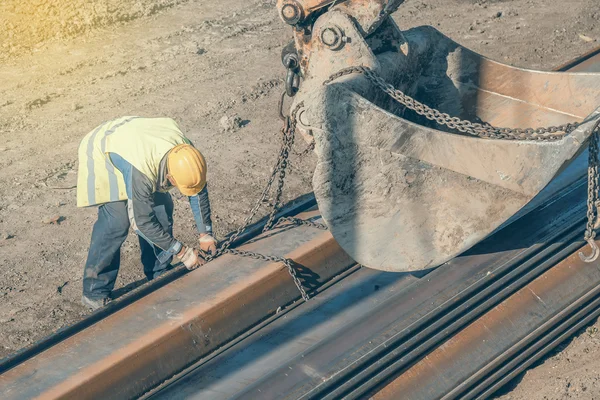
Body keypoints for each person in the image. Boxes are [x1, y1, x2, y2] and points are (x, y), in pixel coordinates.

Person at [76, 116, 217, 310]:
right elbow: (142, 223)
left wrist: (206, 234)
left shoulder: (188, 156)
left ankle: (158, 272)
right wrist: (183, 253)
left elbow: (197, 191)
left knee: (161, 210)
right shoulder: (141, 173)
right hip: (105, 149)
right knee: (117, 222)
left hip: (139, 144)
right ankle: (95, 291)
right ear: (170, 178)